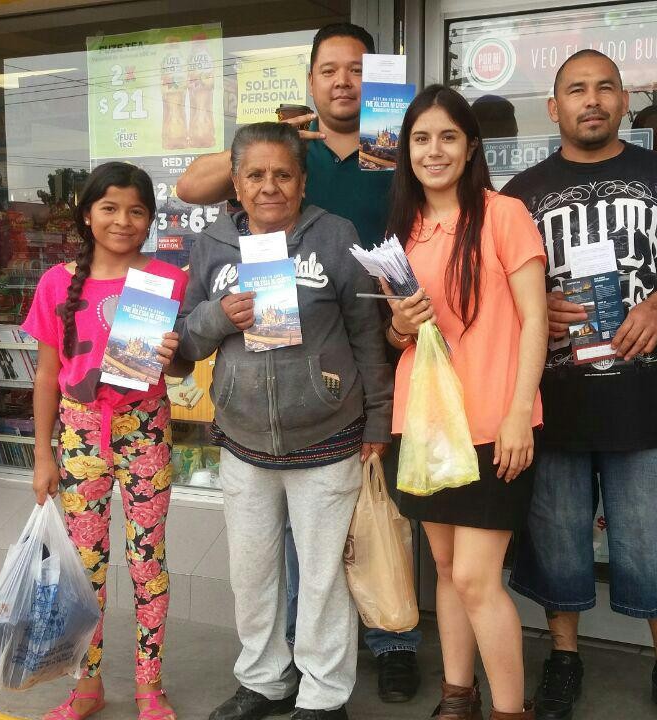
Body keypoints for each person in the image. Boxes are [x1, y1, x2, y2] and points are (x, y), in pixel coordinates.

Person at [176, 23, 423, 700]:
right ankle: (263, 680)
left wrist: (377, 419)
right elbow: (185, 341)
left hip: (332, 422)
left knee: (328, 568)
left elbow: (365, 334)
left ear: (302, 180)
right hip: (244, 436)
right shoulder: (216, 244)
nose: (269, 186)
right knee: (254, 573)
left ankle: (326, 689)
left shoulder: (354, 205)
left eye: (282, 175)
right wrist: (217, 317)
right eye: (254, 175)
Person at [501, 50, 657, 720]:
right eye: (577, 89)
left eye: (605, 88)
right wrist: (534, 309)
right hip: (553, 402)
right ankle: (563, 658)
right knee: (557, 544)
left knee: (656, 544)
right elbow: (497, 288)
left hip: (645, 401)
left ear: (625, 101)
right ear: (555, 107)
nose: (592, 99)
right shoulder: (521, 195)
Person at [386, 85, 548, 720]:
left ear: (471, 146)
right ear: (406, 149)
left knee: (478, 577)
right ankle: (458, 695)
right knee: (447, 567)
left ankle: (510, 710)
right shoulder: (403, 231)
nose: (434, 151)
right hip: (426, 424)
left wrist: (519, 413)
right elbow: (400, 337)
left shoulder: (504, 214)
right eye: (421, 138)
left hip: (493, 421)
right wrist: (401, 325)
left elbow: (535, 320)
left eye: (448, 137)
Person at [23, 161, 190, 720]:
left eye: (136, 211)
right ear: (87, 214)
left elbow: (184, 365)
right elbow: (47, 376)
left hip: (146, 431)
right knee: (85, 568)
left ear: (150, 219)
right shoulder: (57, 282)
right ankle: (87, 685)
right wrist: (43, 455)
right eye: (110, 208)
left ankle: (149, 685)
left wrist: (176, 355)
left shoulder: (166, 280)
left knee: (148, 562)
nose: (123, 221)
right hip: (80, 435)